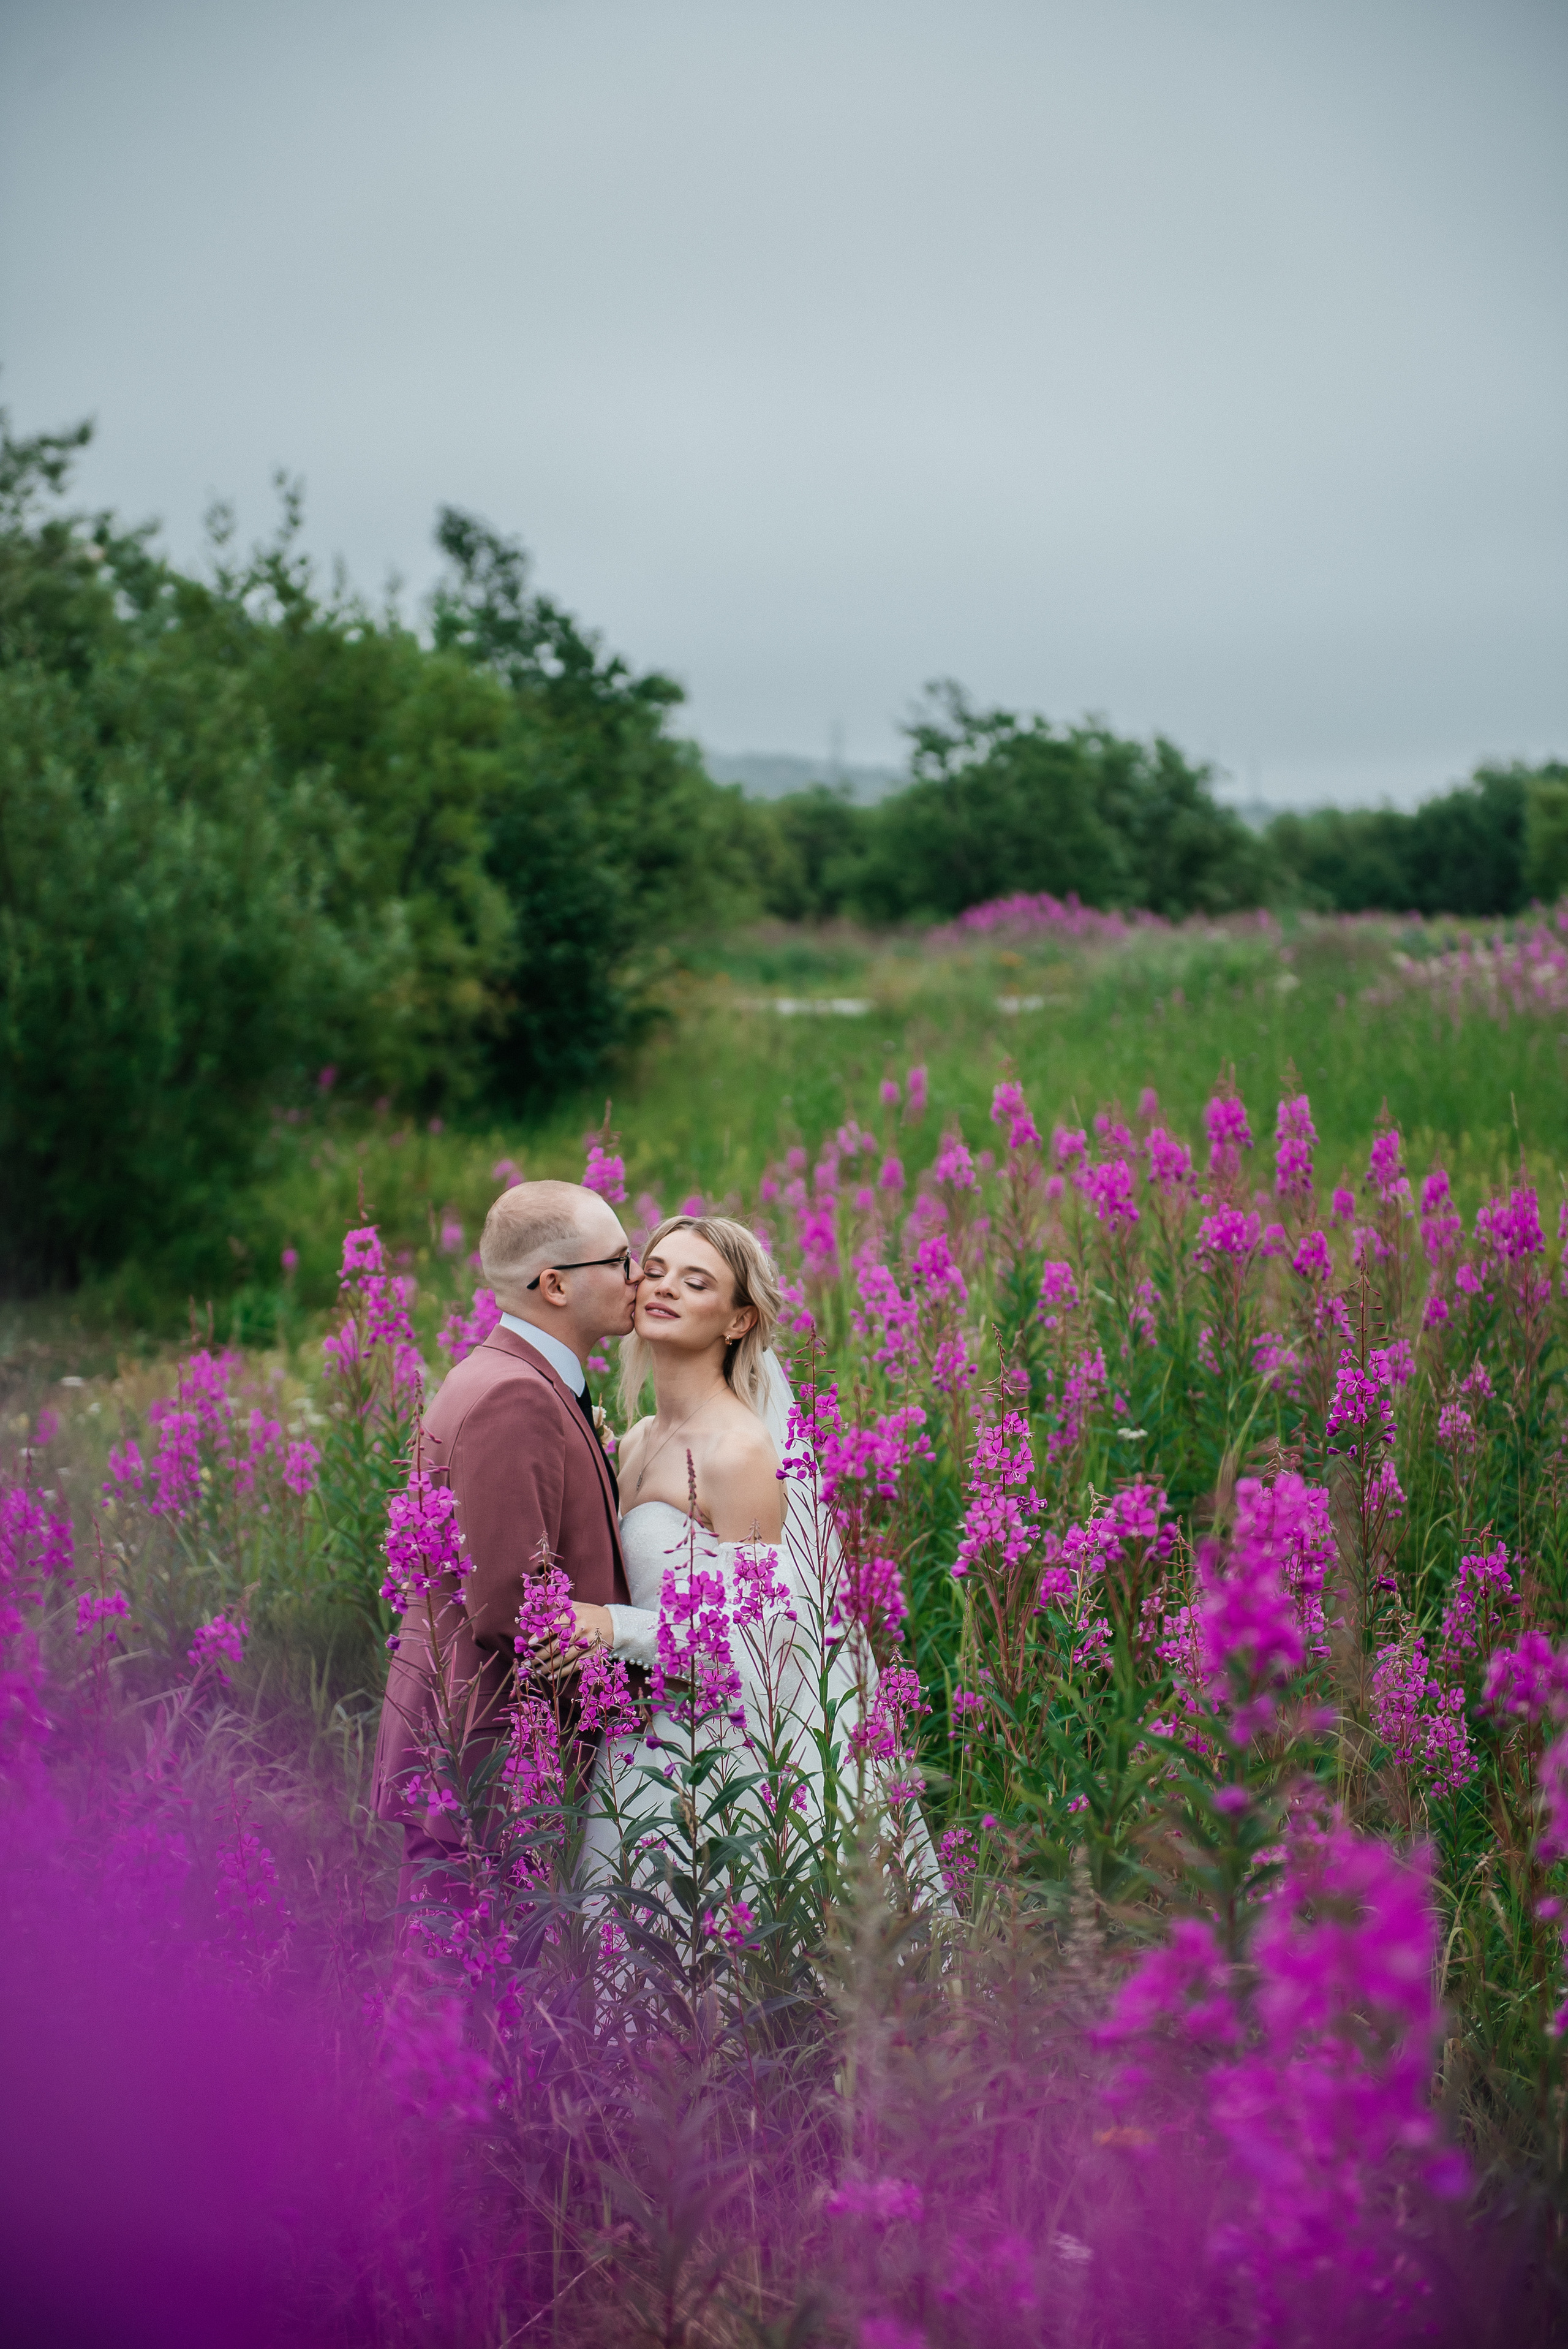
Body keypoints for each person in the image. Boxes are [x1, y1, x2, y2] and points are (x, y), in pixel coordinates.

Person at [526, 1214, 936, 1895]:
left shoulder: (739, 1453)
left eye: (696, 1283)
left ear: (739, 1321)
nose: (664, 1288)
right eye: (655, 1271)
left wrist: (614, 1626)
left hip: (718, 1759)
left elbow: (761, 1646)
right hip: (645, 1741)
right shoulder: (637, 1439)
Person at [371, 1178, 638, 1921]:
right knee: (473, 1972)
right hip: (493, 1756)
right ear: (555, 1285)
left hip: (482, 1745)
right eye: (619, 1260)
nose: (637, 1276)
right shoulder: (514, 1395)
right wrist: (642, 1692)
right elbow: (514, 1609)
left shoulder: (511, 1375)